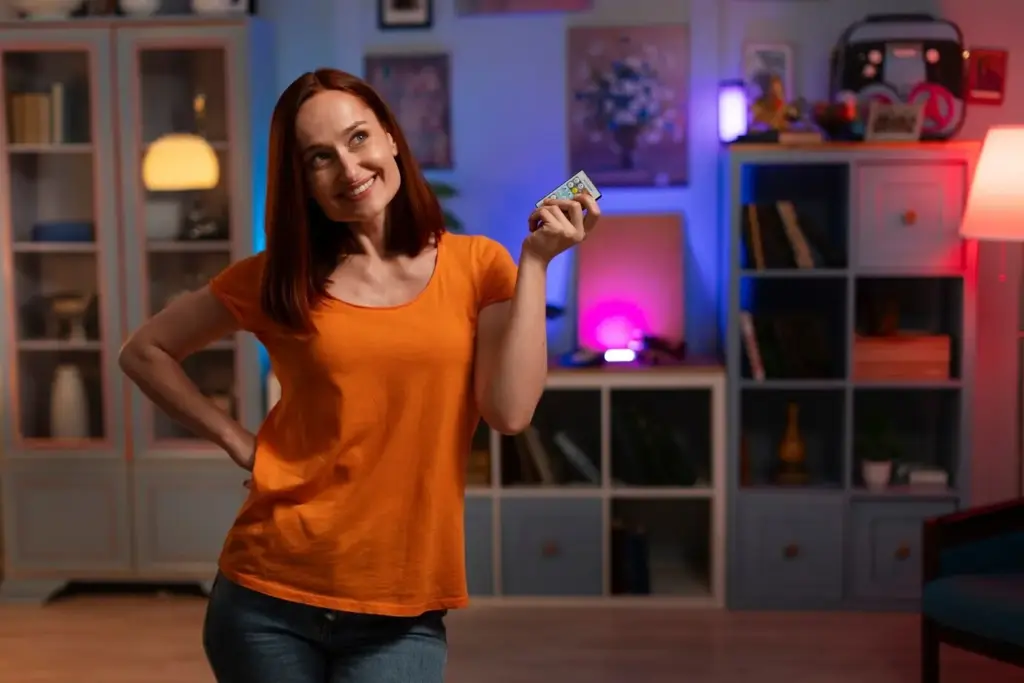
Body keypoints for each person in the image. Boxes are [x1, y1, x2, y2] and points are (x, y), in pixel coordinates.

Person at [118, 68, 600, 683]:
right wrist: (239, 442)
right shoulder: (278, 278)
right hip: (268, 596)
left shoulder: (478, 265)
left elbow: (509, 412)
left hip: (402, 606)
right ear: (302, 181)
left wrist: (535, 264)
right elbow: (145, 351)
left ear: (391, 138)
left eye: (358, 138)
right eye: (319, 158)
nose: (348, 169)